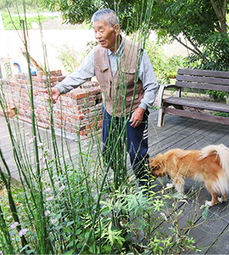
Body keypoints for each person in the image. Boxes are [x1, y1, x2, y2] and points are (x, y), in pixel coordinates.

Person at [42, 8, 159, 187]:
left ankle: (145, 188)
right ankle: (121, 185)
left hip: (133, 113)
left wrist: (142, 108)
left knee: (137, 154)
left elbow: (151, 85)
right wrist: (59, 88)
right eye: (94, 30)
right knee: (109, 153)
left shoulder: (137, 53)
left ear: (116, 29)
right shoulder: (96, 53)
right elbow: (80, 74)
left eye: (101, 29)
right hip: (110, 111)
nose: (97, 35)